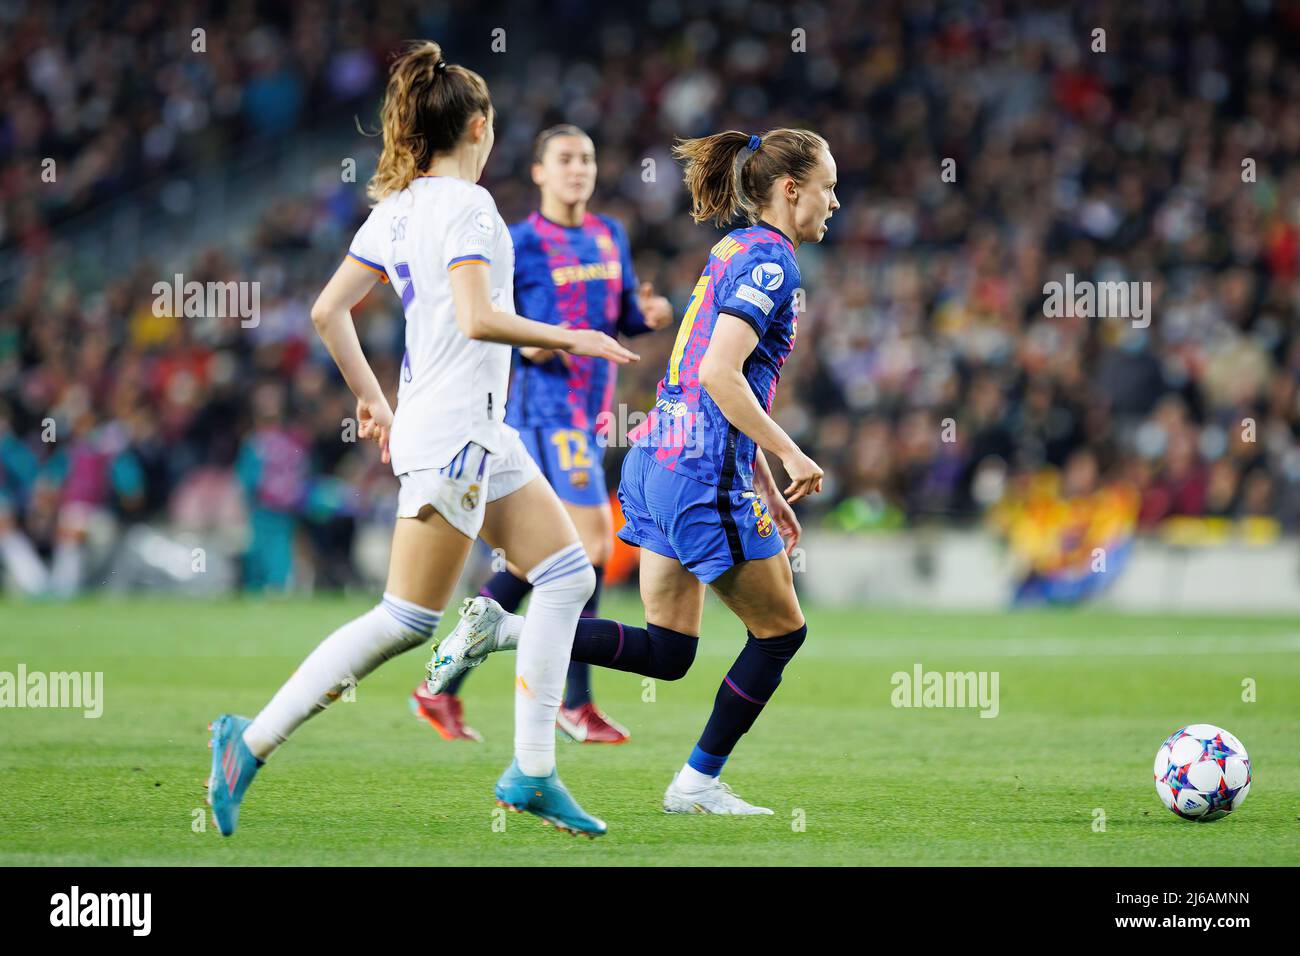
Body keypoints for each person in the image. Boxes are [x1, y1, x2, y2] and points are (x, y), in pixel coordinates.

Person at [206, 40, 637, 839]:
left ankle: (533, 773)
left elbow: (328, 311)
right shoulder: (468, 207)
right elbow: (478, 318)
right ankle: (250, 740)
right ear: (479, 127)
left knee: (571, 574)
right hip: (456, 434)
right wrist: (575, 338)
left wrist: (373, 402)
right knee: (405, 621)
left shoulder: (398, 208)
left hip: (470, 428)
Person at [428, 128, 838, 814]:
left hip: (657, 460)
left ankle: (503, 630)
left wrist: (767, 483)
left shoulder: (733, 248)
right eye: (827, 187)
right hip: (704, 474)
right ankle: (696, 783)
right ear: (791, 190)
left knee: (669, 651)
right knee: (782, 633)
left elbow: (717, 380)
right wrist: (790, 453)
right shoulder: (773, 267)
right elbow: (719, 374)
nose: (834, 202)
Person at [410, 123, 673, 743]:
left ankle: (440, 681)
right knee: (591, 548)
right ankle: (572, 703)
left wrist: (647, 315)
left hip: (589, 409)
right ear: (538, 172)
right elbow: (493, 314)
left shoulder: (610, 235)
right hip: (541, 412)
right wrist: (530, 349)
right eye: (564, 159)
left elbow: (621, 315)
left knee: (546, 559)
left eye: (586, 157)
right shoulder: (520, 242)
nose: (578, 168)